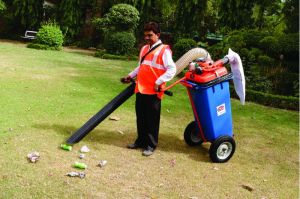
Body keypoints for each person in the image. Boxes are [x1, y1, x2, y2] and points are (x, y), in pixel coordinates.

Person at [121, 22, 176, 156]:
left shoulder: (164, 50)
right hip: (140, 88)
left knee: (152, 119)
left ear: (158, 35)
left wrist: (159, 81)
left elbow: (172, 69)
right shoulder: (145, 49)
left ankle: (151, 145)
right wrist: (130, 76)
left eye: (150, 35)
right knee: (141, 117)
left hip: (153, 91)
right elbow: (141, 66)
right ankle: (140, 141)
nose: (147, 38)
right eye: (145, 35)